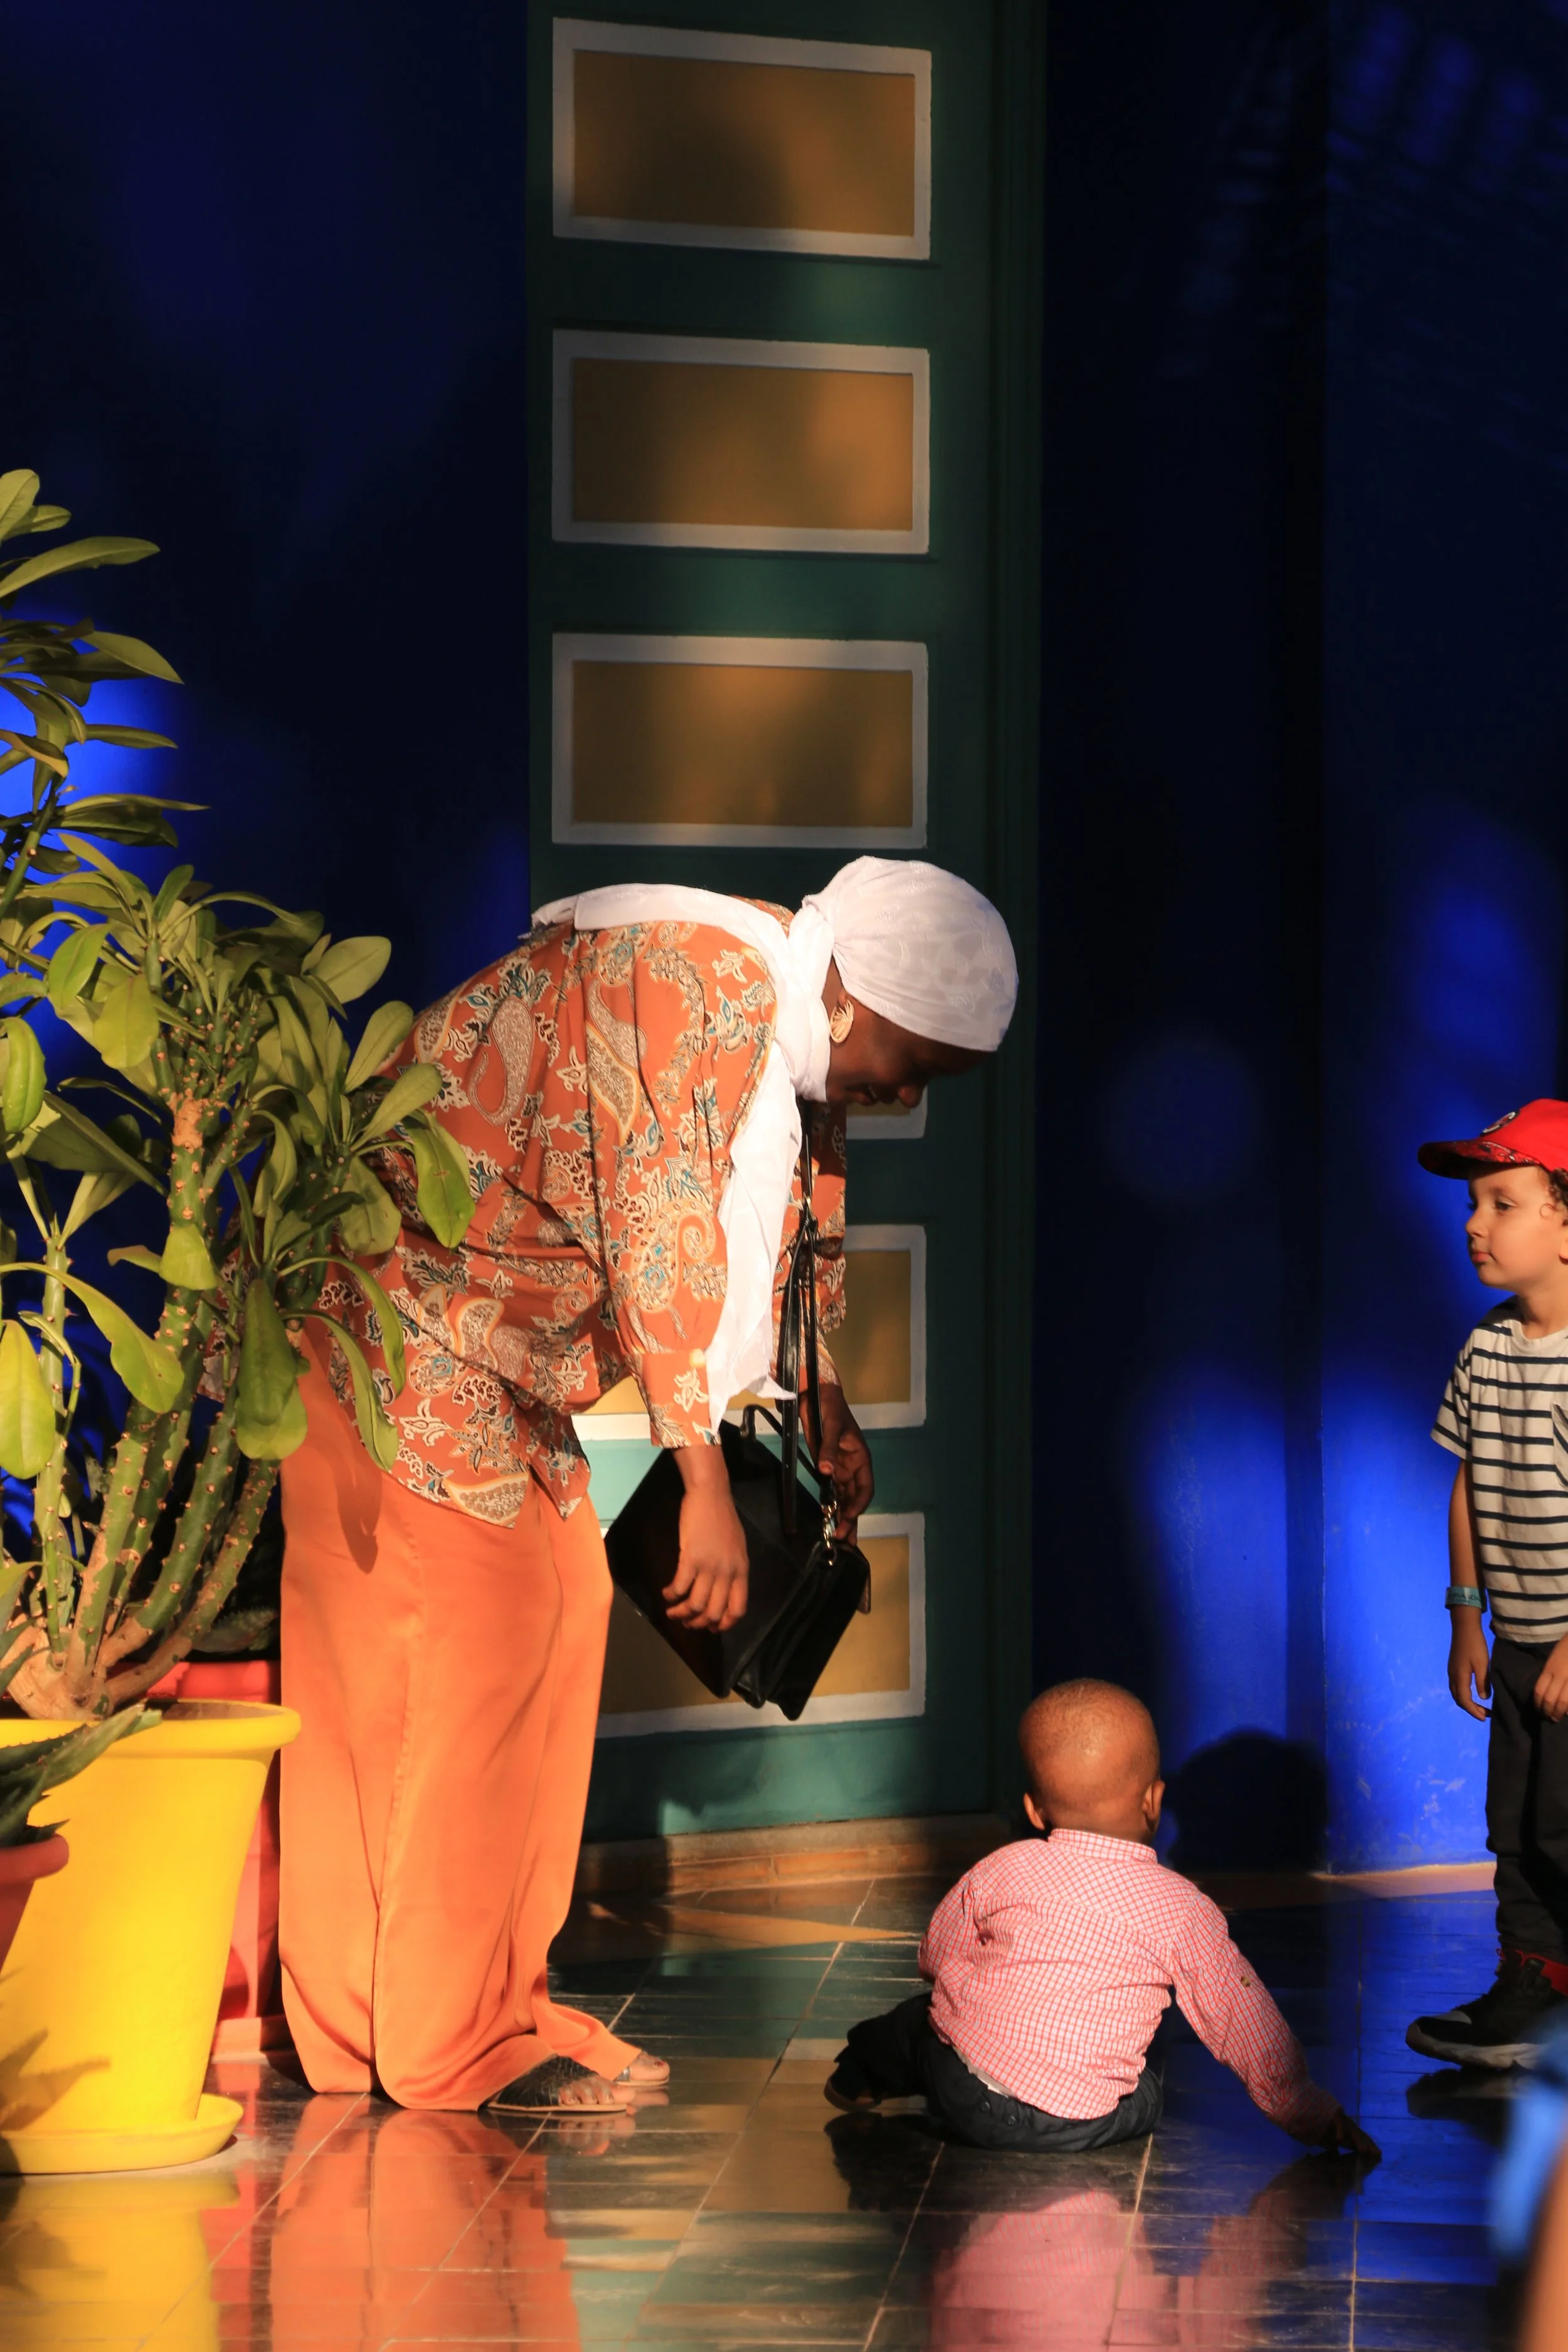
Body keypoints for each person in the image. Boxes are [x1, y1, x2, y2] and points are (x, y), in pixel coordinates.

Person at [276, 859, 1018, 2115]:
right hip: (401, 1336)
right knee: (451, 1693)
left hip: (503, 1362)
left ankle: (466, 2015)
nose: (900, 1095)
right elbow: (658, 1210)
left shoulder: (790, 1013)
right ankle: (425, 2042)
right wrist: (700, 1479)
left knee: (548, 1653)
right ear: (857, 997)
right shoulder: (697, 977)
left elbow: (788, 1215)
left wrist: (813, 1394)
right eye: (914, 1063)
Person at [826, 1679, 1379, 2157]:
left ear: (1033, 1809)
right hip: (1078, 2124)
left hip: (963, 2090)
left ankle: (859, 2073)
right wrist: (1305, 2108)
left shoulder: (1003, 1865)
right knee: (1149, 2091)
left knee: (921, 2023)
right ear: (1152, 1802)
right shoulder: (1182, 1908)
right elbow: (1242, 2018)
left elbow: (936, 1956)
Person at [1407, 1100, 1568, 2069]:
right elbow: (1470, 1478)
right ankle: (1532, 1990)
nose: (1475, 1223)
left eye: (1503, 1202)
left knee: (1564, 1820)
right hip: (1513, 1639)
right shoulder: (1487, 1346)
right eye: (1474, 1204)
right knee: (1513, 1820)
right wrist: (1468, 1615)